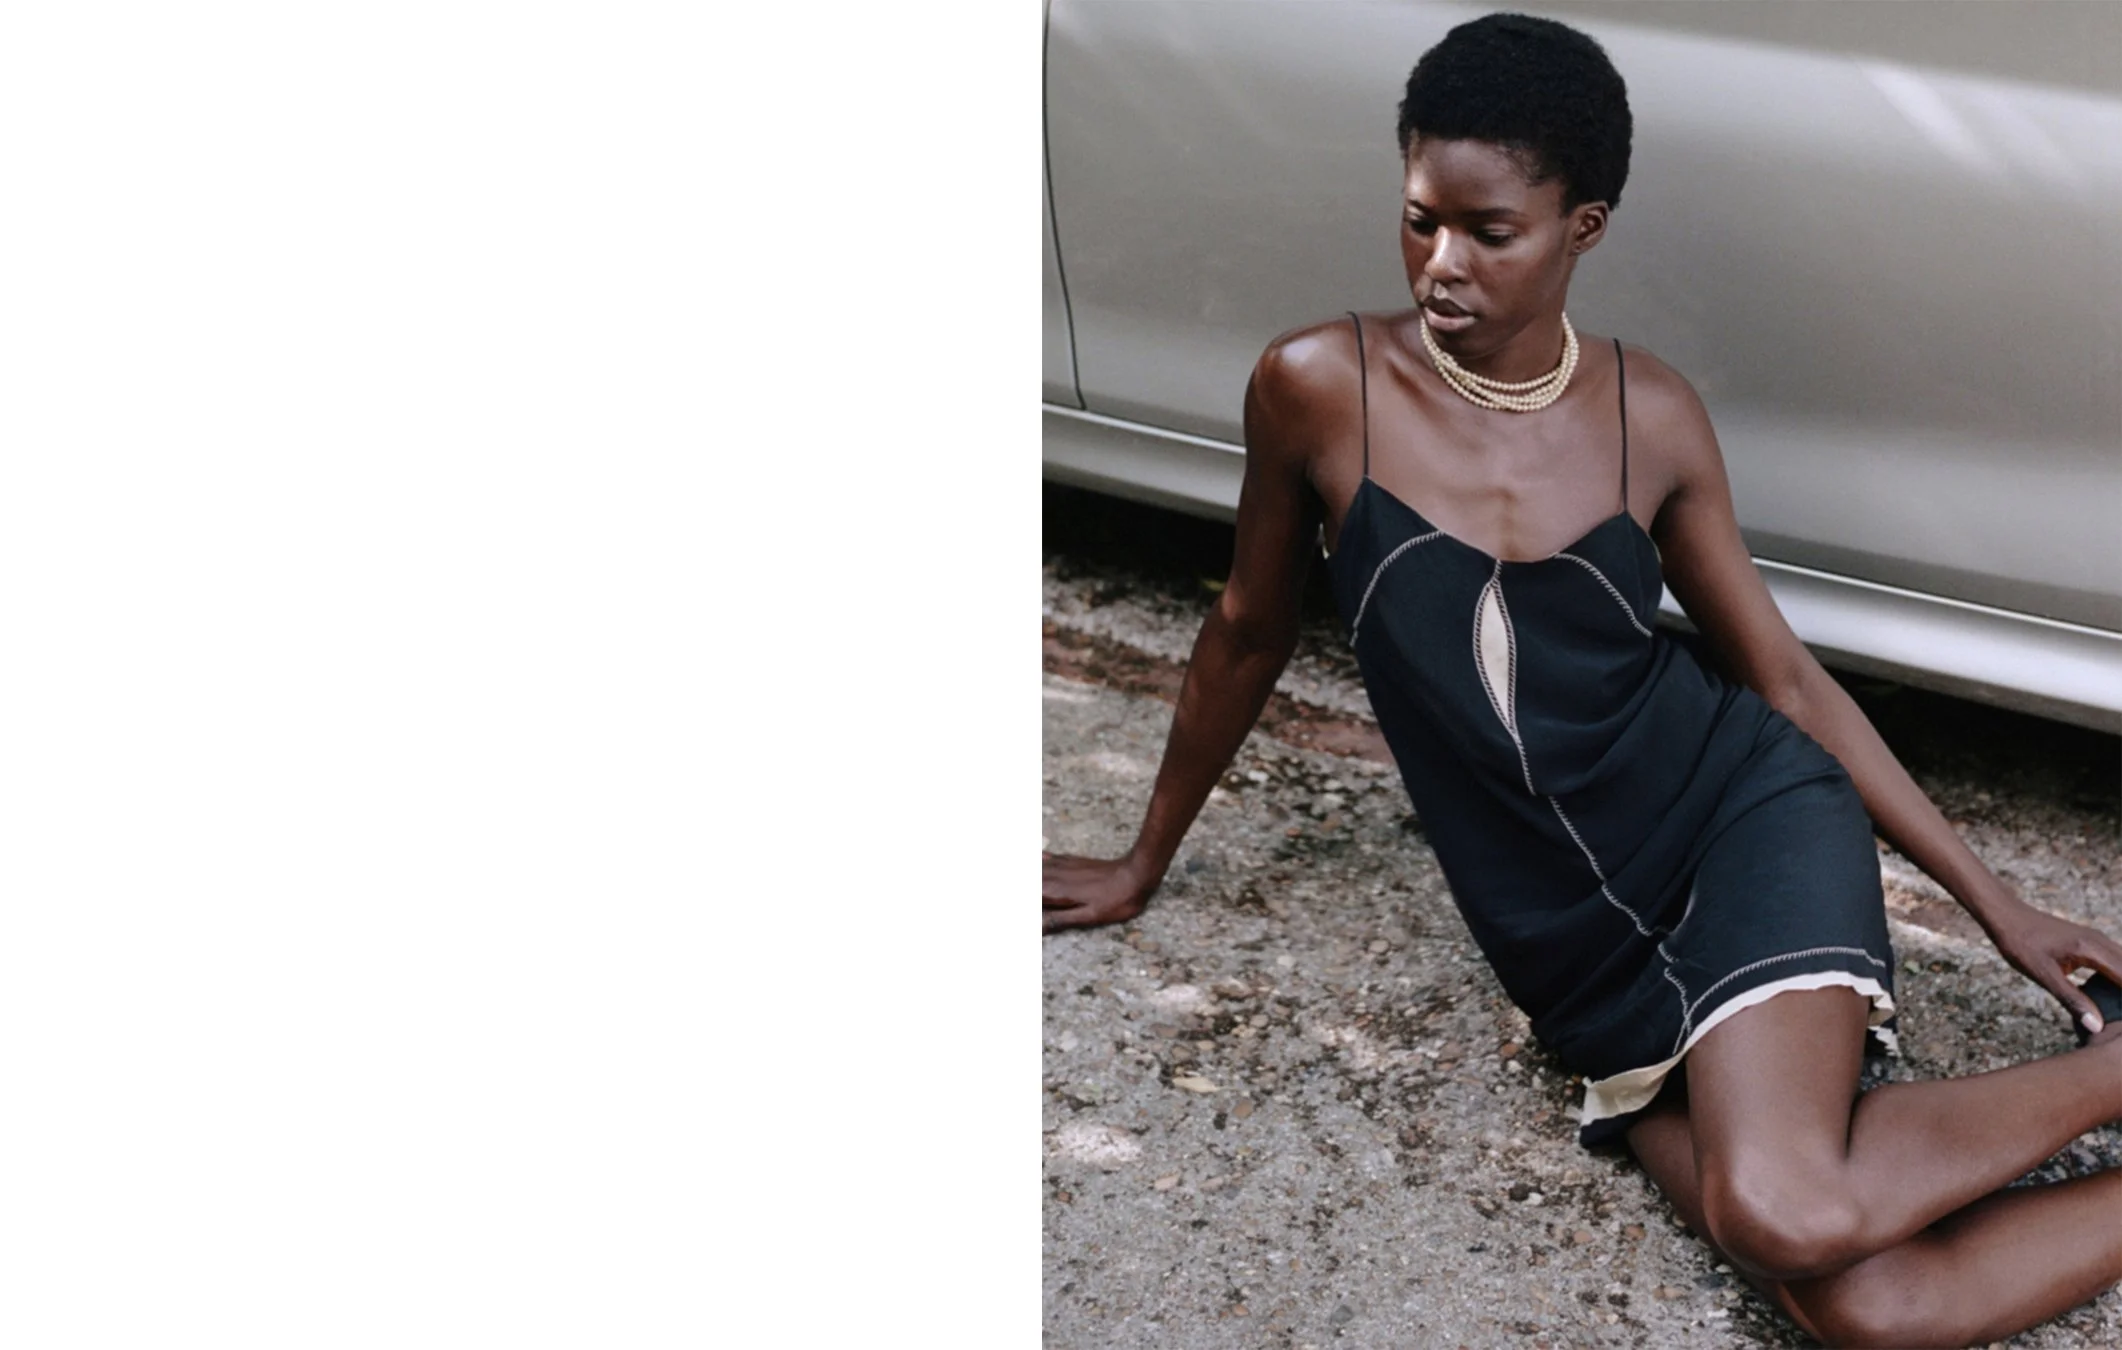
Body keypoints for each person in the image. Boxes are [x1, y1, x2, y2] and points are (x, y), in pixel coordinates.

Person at [1041, 12, 2122, 1347]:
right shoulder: (1318, 388)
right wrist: (1142, 856)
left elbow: (1780, 680)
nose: (1441, 265)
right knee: (1870, 1305)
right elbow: (1245, 629)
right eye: (1417, 219)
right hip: (1574, 950)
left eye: (1488, 231)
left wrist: (2001, 906)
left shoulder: (1648, 416)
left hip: (1738, 825)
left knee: (1782, 1206)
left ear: (1581, 228)